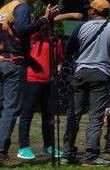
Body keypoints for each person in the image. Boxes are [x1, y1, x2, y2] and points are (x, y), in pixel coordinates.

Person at [62, 0, 110, 166]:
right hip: (101, 74)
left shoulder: (81, 27)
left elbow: (69, 51)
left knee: (73, 115)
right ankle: (90, 156)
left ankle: (67, 154)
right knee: (95, 117)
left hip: (80, 73)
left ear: (93, 11)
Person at [0, 0, 58, 165]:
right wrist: (42, 20)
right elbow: (24, 30)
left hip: (1, 60)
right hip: (13, 63)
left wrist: (31, 61)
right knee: (11, 108)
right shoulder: (22, 7)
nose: (35, 0)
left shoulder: (5, 8)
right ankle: (1, 153)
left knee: (1, 108)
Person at [17, 11, 83, 160]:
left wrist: (59, 66)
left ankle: (48, 145)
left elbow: (59, 59)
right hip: (32, 78)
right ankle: (23, 146)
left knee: (49, 115)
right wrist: (70, 15)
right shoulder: (34, 37)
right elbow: (44, 21)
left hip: (49, 81)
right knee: (27, 113)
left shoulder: (56, 41)